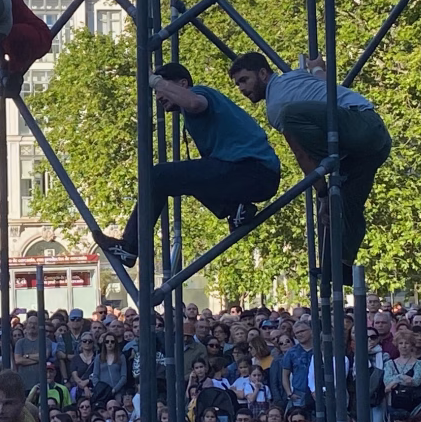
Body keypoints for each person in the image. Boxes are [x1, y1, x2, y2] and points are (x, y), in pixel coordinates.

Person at [94, 62, 281, 266]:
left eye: (161, 90)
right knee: (187, 175)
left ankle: (130, 245)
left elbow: (194, 103)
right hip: (255, 174)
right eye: (155, 93)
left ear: (183, 84)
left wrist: (154, 80)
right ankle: (237, 209)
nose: (158, 97)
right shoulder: (201, 117)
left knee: (158, 176)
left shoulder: (198, 92)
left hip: (252, 171)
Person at [228, 52, 392, 276]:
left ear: (263, 73)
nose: (242, 89)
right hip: (373, 142)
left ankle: (335, 156)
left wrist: (321, 191)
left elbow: (302, 154)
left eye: (244, 80)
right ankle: (342, 268)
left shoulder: (276, 106)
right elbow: (325, 84)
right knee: (348, 206)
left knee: (290, 115)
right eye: (237, 84)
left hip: (360, 128)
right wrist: (316, 67)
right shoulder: (296, 76)